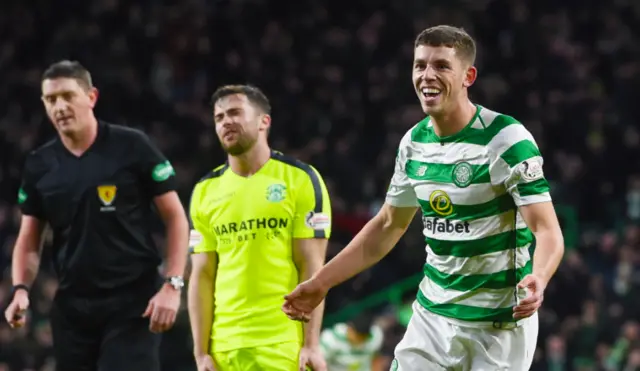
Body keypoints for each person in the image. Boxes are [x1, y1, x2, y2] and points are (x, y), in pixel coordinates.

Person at [283, 25, 565, 371]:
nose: (427, 75)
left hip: (499, 325)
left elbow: (548, 230)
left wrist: (540, 276)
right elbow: (388, 224)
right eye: (420, 65)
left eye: (442, 66)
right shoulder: (413, 143)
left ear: (468, 75)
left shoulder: (506, 139)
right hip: (432, 317)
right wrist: (322, 282)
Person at [3, 60, 190, 371]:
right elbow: (29, 239)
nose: (59, 107)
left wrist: (173, 284)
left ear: (91, 97)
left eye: (67, 96)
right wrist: (21, 289)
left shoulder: (132, 146)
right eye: (51, 100)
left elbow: (176, 218)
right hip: (73, 310)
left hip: (133, 303)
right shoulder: (40, 164)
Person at [187, 84, 331, 371]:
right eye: (219, 117)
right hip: (224, 349)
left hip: (281, 344)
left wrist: (310, 344)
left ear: (264, 121)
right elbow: (202, 275)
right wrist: (201, 353)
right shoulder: (205, 190)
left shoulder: (300, 179)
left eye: (235, 113)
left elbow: (312, 266)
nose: (226, 121)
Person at [320, 313, 384, 371]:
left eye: (363, 338)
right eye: (358, 337)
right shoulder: (330, 339)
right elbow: (320, 363)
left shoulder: (375, 336)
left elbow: (376, 359)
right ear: (350, 329)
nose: (360, 341)